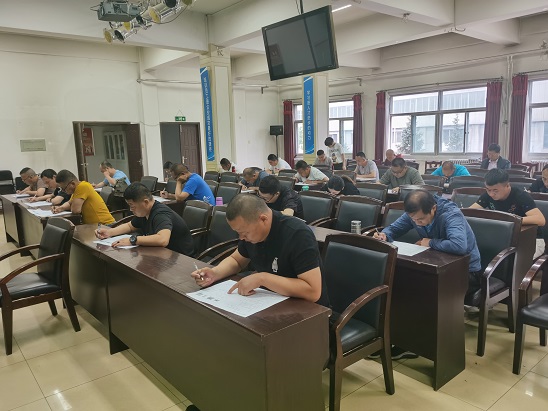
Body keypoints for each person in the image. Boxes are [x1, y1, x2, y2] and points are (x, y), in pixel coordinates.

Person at [374, 189, 482, 359]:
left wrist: (429, 242)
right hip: (434, 266)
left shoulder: (451, 214)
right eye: (413, 220)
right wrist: (384, 236)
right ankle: (395, 336)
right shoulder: (416, 212)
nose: (417, 223)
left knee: (416, 291)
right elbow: (394, 228)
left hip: (465, 273)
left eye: (421, 219)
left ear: (433, 208)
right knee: (396, 282)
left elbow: (459, 245)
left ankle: (411, 344)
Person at [190, 194, 329, 306]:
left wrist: (263, 278)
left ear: (263, 219)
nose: (241, 238)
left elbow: (313, 291)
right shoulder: (251, 234)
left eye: (244, 233)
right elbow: (237, 260)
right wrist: (215, 273)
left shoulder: (297, 234)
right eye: (238, 233)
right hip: (269, 301)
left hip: (307, 311)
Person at [95, 183, 195, 256]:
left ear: (145, 202)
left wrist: (133, 240)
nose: (131, 209)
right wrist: (109, 232)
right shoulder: (144, 212)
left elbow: (162, 239)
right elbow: (130, 226)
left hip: (181, 258)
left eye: (132, 206)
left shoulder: (161, 214)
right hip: (162, 254)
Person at [470, 169, 545, 226]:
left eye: (495, 190)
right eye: (488, 189)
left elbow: (540, 220)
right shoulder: (488, 194)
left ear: (507, 186)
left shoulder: (520, 195)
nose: (491, 194)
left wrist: (508, 220)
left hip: (523, 233)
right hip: (500, 231)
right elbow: (470, 212)